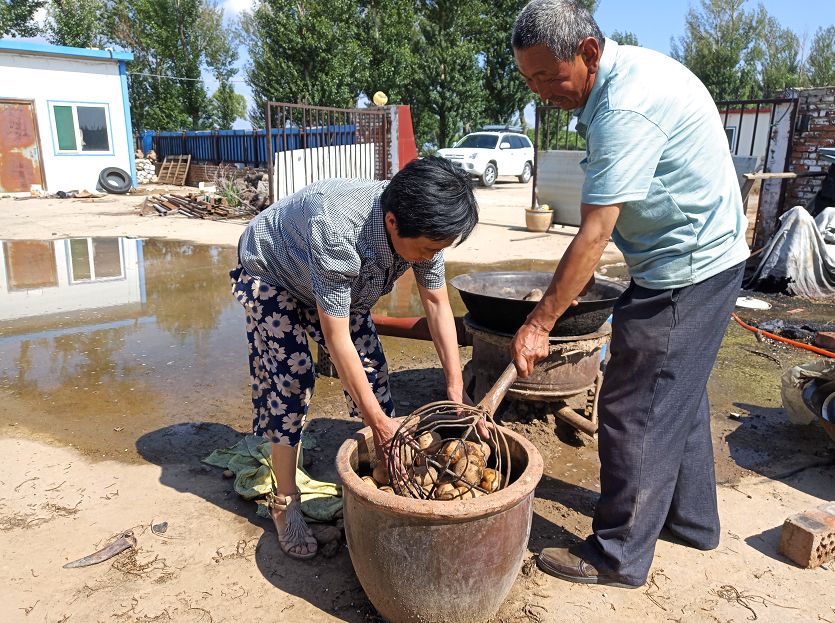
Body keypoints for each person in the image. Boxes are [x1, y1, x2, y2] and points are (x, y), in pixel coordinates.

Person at [510, 0, 750, 588]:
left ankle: (617, 555)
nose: (541, 91)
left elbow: (593, 233)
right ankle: (692, 521)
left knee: (631, 408)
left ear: (588, 52)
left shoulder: (623, 106)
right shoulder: (626, 76)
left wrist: (540, 322)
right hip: (703, 258)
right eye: (529, 80)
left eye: (548, 76)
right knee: (678, 395)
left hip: (685, 270)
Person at [230, 157, 478, 559]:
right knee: (292, 381)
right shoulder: (339, 227)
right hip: (273, 271)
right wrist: (378, 422)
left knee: (374, 373)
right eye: (429, 249)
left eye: (439, 249)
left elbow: (436, 302)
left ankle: (386, 458)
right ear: (393, 222)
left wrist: (455, 386)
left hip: (332, 281)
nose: (431, 256)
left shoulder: (423, 227)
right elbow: (336, 333)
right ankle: (285, 501)